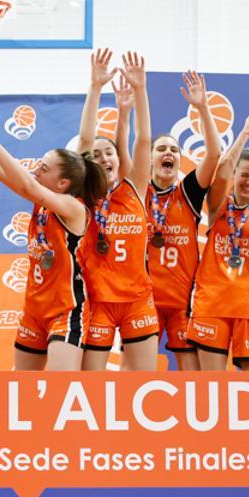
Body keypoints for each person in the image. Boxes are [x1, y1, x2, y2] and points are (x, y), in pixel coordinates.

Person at [0, 118, 107, 370]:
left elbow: (29, 185)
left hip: (65, 311)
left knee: (58, 393)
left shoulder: (74, 207)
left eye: (43, 168)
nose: (36, 171)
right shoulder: (40, 202)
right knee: (25, 393)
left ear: (62, 184)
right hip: (34, 311)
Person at [76, 50, 158, 370]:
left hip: (137, 301)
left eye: (108, 153)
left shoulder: (134, 189)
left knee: (142, 385)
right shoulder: (85, 197)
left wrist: (140, 92)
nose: (103, 159)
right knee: (91, 390)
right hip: (98, 302)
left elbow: (143, 140)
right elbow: (85, 139)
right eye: (96, 156)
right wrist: (95, 88)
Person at [187, 114, 249, 370]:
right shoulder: (218, 206)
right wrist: (243, 135)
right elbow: (224, 168)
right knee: (211, 389)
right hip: (212, 304)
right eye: (244, 175)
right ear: (236, 175)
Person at [146, 70, 222, 371]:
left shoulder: (187, 192)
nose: (168, 153)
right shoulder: (137, 192)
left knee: (192, 375)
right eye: (161, 149)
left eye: (174, 150)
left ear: (179, 159)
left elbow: (214, 153)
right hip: (144, 300)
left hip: (183, 301)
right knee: (136, 369)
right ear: (149, 158)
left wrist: (202, 107)